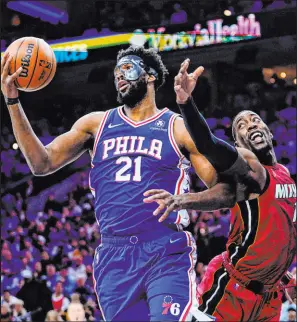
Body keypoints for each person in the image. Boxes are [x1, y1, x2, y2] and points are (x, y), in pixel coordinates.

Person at [1, 47, 219, 321]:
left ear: (150, 76)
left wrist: (185, 200)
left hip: (164, 249)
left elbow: (221, 189)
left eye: (127, 68)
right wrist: (12, 101)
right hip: (114, 256)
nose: (120, 76)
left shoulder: (176, 127)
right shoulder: (95, 124)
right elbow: (41, 163)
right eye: (117, 72)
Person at [143, 59, 296, 321]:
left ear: (270, 134)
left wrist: (285, 276)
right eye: (242, 126)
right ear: (238, 144)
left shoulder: (285, 177)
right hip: (231, 290)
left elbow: (278, 236)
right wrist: (186, 103)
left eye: (255, 120)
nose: (251, 125)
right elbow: (209, 144)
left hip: (270, 297)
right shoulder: (251, 167)